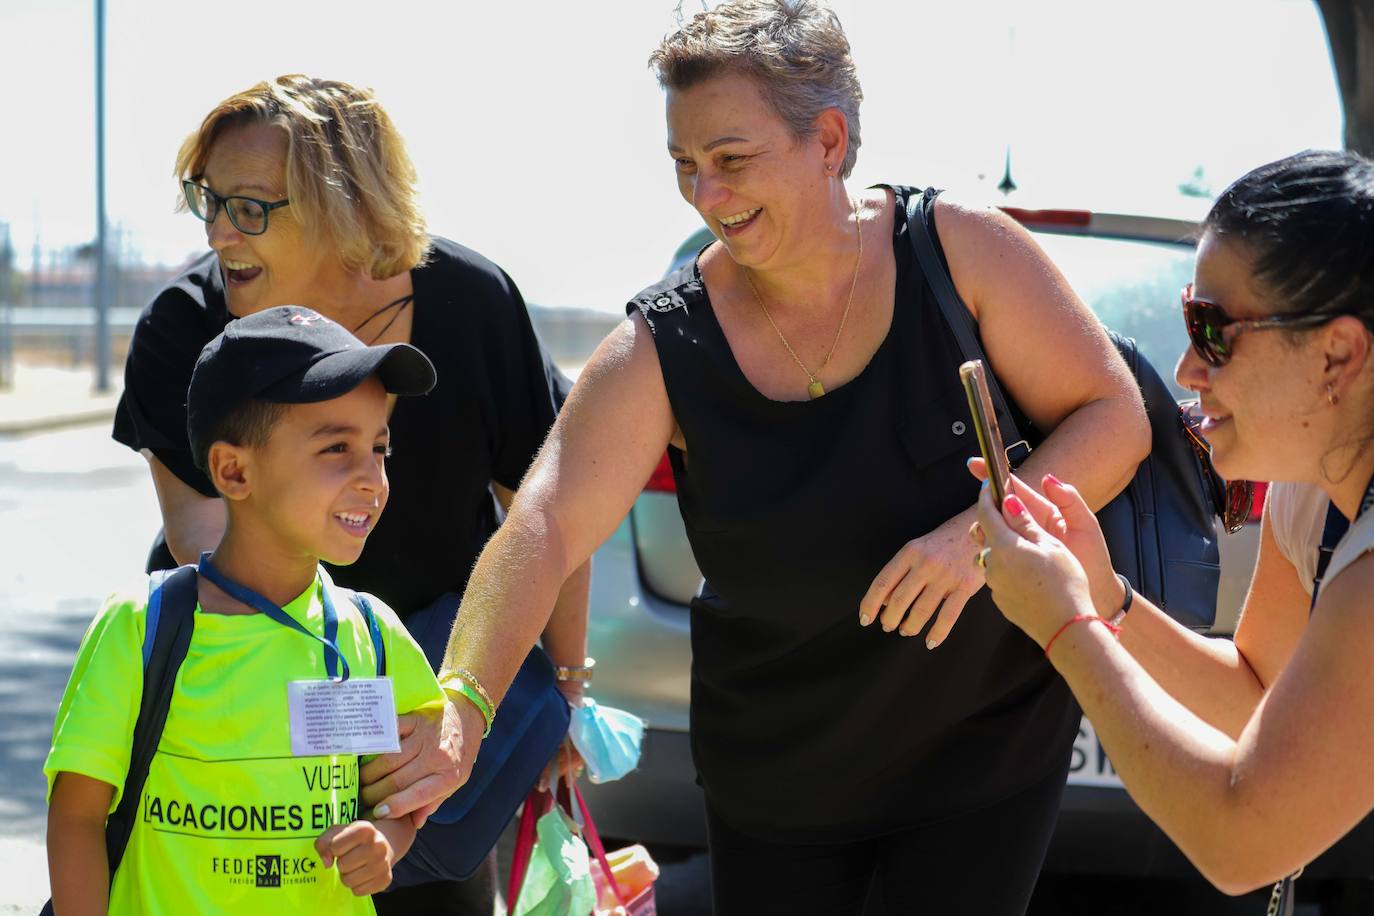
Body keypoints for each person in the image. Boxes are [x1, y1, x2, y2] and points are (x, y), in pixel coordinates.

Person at [372, 2, 1150, 912]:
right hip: (776, 778)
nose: (707, 196)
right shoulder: (665, 342)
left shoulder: (960, 252)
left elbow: (1114, 417)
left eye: (732, 160)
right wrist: (463, 705)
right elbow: (542, 523)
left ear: (827, 140)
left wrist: (974, 539)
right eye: (684, 167)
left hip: (982, 746)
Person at [111, 75, 590, 912]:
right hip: (242, 715)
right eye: (209, 200)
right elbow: (202, 542)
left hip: (447, 684)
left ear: (344, 204)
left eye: (252, 207)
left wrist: (564, 694)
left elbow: (545, 517)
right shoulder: (181, 328)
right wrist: (367, 714)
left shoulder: (473, 303)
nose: (221, 230)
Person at [972, 148, 1374, 895]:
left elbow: (1240, 837)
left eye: (1213, 329)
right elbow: (1257, 691)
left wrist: (1067, 628)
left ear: (1338, 353)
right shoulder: (1311, 486)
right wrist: (1103, 594)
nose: (1187, 370)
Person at [46, 306, 444, 914]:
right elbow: (75, 818)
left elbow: (395, 802)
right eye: (337, 447)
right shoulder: (141, 627)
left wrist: (384, 844)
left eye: (380, 448)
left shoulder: (371, 633)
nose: (372, 478)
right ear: (234, 470)